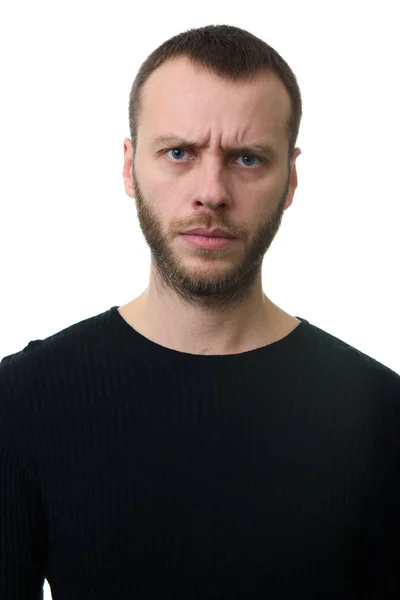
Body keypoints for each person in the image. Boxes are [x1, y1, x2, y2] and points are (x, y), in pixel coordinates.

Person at [1, 24, 399, 600]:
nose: (211, 191)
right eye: (179, 153)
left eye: (246, 158)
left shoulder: (380, 415)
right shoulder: (25, 400)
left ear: (291, 178)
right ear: (129, 166)